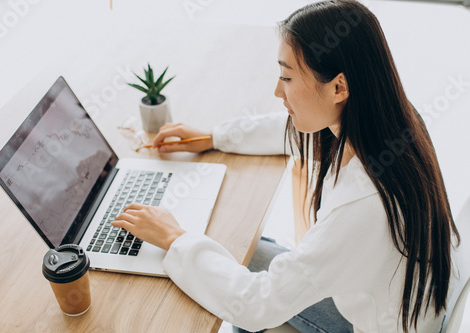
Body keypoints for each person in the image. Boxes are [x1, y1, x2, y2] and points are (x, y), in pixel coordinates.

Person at [112, 0, 461, 332]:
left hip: (366, 326)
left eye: (288, 78)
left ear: (339, 86)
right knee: (235, 247)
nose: (278, 92)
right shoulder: (390, 119)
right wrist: (213, 136)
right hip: (404, 304)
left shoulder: (361, 206)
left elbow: (255, 306)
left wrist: (173, 238)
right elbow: (292, 130)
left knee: (231, 253)